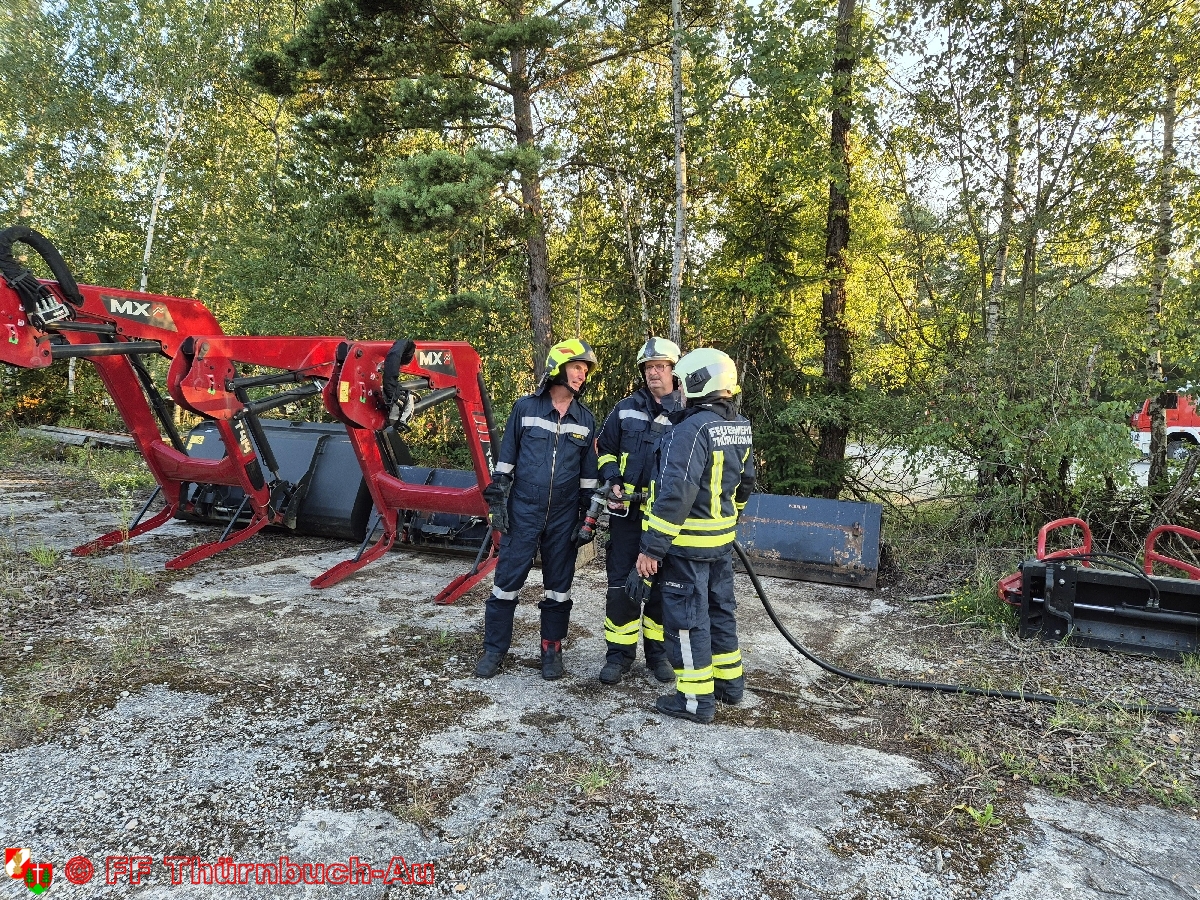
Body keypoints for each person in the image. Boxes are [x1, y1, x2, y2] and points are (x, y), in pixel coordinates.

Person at [630, 348, 754, 724]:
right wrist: (727, 520)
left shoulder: (691, 429)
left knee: (686, 622)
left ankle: (695, 700)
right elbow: (745, 483)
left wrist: (652, 549)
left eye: (682, 383)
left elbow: (676, 494)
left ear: (700, 382)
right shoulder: (739, 424)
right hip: (720, 543)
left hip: (686, 547)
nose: (678, 390)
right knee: (720, 611)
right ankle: (729, 685)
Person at [476, 339, 600, 681]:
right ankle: (494, 650)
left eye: (585, 370)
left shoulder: (585, 419)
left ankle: (551, 651)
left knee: (559, 588)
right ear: (557, 368)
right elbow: (505, 462)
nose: (582, 374)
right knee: (506, 584)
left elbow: (589, 477)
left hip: (563, 516)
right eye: (577, 367)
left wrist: (587, 518)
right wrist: (498, 501)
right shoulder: (525, 408)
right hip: (523, 511)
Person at [594, 337, 683, 685]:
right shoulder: (625, 408)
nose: (653, 373)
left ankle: (657, 655)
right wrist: (612, 479)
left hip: (665, 521)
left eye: (660, 366)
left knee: (661, 588)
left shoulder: (687, 413)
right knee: (621, 586)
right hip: (626, 517)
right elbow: (605, 448)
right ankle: (618, 656)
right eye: (648, 367)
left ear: (674, 370)